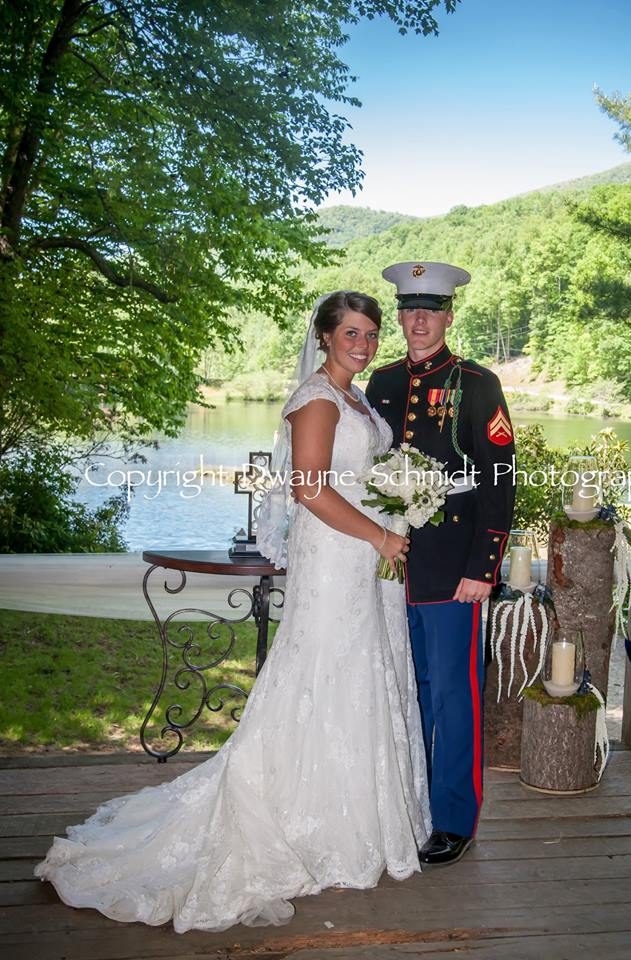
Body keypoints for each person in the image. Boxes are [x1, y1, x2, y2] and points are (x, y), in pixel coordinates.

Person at [34, 291, 431, 933]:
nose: (363, 343)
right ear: (325, 336)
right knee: (326, 674)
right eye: (351, 332)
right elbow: (308, 490)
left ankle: (353, 815)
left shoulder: (356, 398)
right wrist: (382, 535)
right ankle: (304, 819)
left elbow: (357, 476)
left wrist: (399, 508)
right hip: (337, 557)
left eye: (371, 333)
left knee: (361, 675)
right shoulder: (318, 399)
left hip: (363, 559)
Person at [366, 262, 516, 866]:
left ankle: (454, 817)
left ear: (450, 316)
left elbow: (499, 481)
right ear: (399, 316)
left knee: (454, 695)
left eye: (431, 309)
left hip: (453, 564)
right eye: (409, 309)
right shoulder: (378, 382)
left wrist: (484, 565)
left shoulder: (477, 383)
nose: (419, 320)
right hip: (387, 566)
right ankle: (410, 801)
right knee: (409, 688)